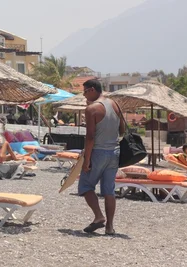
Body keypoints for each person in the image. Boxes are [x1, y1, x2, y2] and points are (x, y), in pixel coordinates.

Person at [80, 78, 124, 235]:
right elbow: (123, 130)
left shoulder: (92, 109)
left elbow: (90, 137)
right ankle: (110, 227)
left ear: (92, 90)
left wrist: (86, 160)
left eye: (85, 92)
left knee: (85, 186)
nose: (84, 96)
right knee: (108, 190)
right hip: (115, 151)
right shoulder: (115, 105)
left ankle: (99, 216)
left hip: (98, 152)